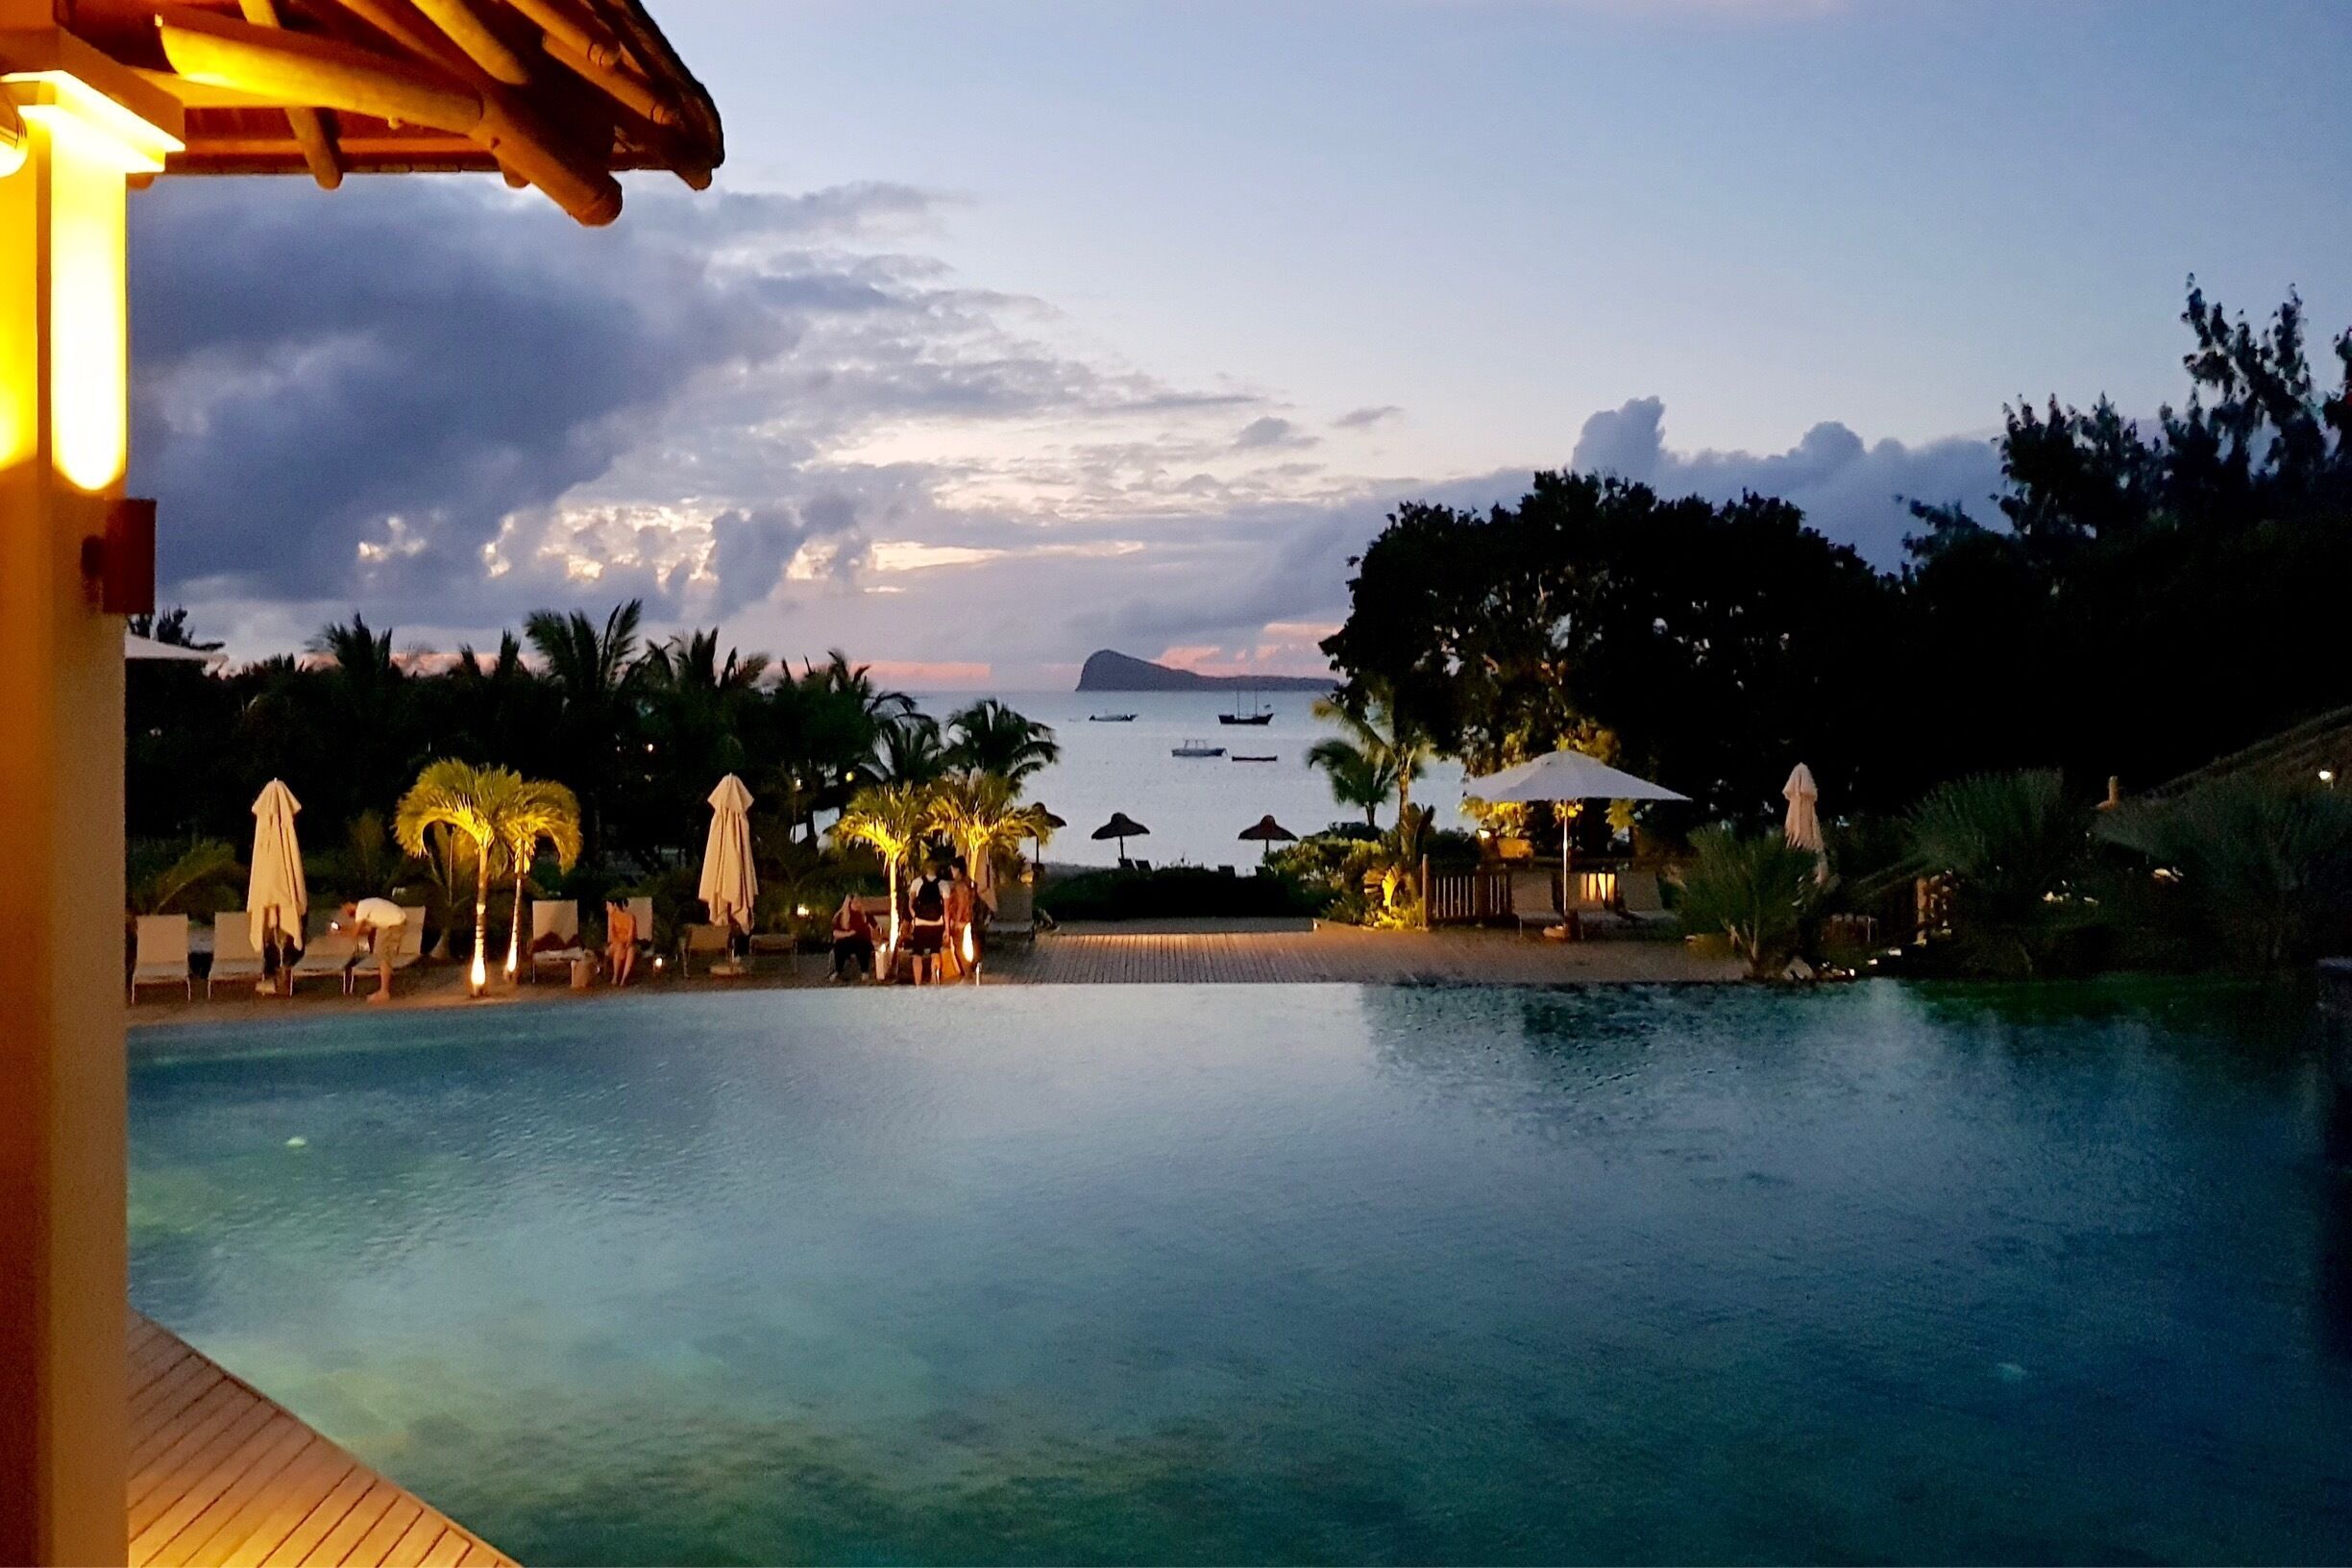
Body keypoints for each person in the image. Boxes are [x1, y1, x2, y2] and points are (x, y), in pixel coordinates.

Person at [335, 897, 407, 1005]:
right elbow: (366, 930)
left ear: (349, 904)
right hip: (392, 923)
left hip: (393, 924)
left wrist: (340, 932)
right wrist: (342, 930)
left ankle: (384, 992)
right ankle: (383, 990)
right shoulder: (366, 907)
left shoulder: (361, 908)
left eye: (344, 908)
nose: (344, 912)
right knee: (381, 954)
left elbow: (354, 933)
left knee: (384, 956)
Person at [906, 862, 947, 984]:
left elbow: (910, 903)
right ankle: (934, 979)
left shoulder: (917, 882)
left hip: (920, 923)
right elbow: (946, 909)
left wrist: (914, 916)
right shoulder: (943, 884)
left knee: (917, 954)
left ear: (925, 869)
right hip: (937, 923)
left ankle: (918, 983)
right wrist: (947, 928)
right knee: (935, 952)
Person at [943, 859, 976, 981]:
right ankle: (966, 972)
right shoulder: (967, 883)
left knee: (959, 947)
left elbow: (961, 903)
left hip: (960, 920)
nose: (951, 872)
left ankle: (967, 972)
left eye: (952, 869)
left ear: (957, 870)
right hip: (966, 918)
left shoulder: (959, 885)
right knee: (960, 946)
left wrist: (957, 920)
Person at [830, 894, 876, 982]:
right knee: (840, 945)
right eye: (854, 902)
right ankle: (838, 971)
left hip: (863, 940)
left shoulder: (866, 915)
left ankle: (864, 972)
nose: (857, 904)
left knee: (862, 944)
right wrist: (849, 933)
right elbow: (835, 933)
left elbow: (876, 928)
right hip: (849, 940)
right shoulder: (841, 917)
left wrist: (871, 929)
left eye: (858, 902)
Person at [605, 899, 639, 987]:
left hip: (626, 943)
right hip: (616, 944)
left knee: (631, 950)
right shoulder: (612, 917)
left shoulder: (630, 917)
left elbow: (631, 935)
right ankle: (615, 977)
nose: (607, 908)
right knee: (619, 947)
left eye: (608, 905)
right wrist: (620, 945)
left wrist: (626, 947)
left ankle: (623, 979)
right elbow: (612, 936)